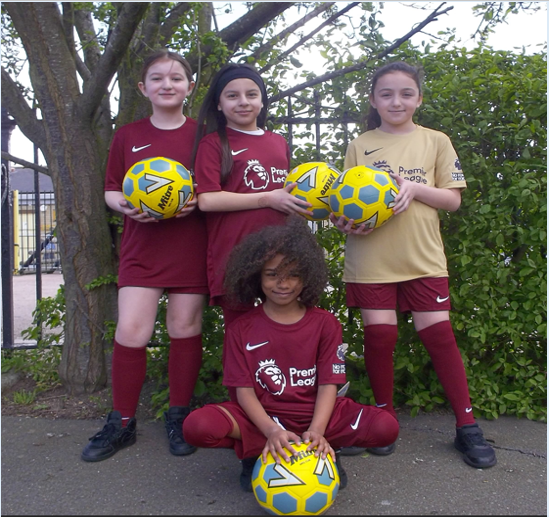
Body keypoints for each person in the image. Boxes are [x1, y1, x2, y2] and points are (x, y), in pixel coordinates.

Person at [330, 61, 496, 469]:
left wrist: (414, 188)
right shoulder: (360, 144)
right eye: (386, 94)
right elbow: (348, 201)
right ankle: (384, 419)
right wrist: (343, 219)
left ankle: (467, 426)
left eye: (406, 93)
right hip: (372, 256)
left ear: (419, 99)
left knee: (439, 335)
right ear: (373, 100)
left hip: (423, 257)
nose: (396, 101)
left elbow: (453, 200)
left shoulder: (436, 141)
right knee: (381, 335)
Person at [182, 216, 399, 492]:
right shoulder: (241, 329)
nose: (282, 283)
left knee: (386, 428)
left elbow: (328, 384)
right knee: (197, 426)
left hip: (321, 416)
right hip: (263, 417)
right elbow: (244, 391)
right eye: (272, 274)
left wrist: (318, 431)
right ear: (256, 276)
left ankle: (327, 447)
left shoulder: (325, 324)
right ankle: (256, 452)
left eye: (292, 274)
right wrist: (271, 430)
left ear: (307, 276)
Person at [81, 50, 208, 462]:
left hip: (190, 245)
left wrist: (196, 202)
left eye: (176, 78)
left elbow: (212, 188)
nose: (167, 84)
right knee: (132, 331)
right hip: (142, 248)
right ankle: (121, 423)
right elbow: (111, 189)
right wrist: (128, 206)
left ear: (190, 87)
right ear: (143, 88)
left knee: (183, 328)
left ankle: (179, 416)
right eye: (157, 78)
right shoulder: (128, 135)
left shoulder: (203, 135)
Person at [191, 63, 311, 329]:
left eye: (252, 94)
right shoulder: (212, 144)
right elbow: (208, 200)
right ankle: (237, 373)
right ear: (219, 104)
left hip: (280, 253)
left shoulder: (278, 142)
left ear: (262, 101)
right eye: (232, 95)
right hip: (235, 253)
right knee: (240, 333)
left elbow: (287, 195)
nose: (243, 102)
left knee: (281, 328)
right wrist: (267, 198)